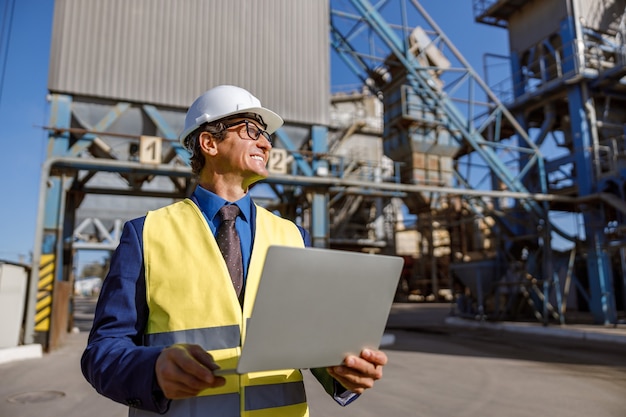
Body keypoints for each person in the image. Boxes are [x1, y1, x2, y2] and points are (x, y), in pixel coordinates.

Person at [81, 85, 388, 417]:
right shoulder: (145, 234)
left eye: (266, 135)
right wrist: (151, 370)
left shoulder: (292, 235)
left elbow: (311, 342)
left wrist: (342, 372)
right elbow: (103, 351)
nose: (266, 143)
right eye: (252, 130)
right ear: (209, 143)